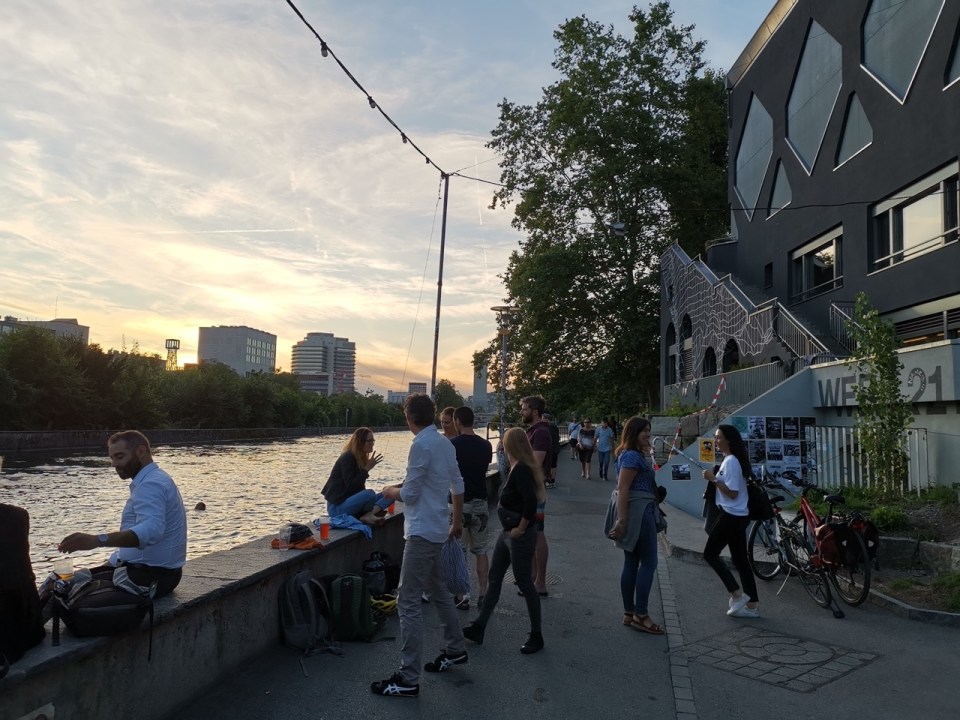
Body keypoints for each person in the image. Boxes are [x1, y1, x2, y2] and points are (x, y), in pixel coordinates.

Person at [371, 394, 467, 698]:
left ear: (408, 417)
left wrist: (389, 490)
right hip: (438, 527)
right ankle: (456, 648)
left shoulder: (420, 445)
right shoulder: (444, 443)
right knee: (438, 591)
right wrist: (457, 521)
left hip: (422, 532)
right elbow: (457, 484)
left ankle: (408, 677)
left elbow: (410, 495)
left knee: (407, 600)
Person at [57, 430, 187, 598]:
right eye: (112, 458)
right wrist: (108, 565)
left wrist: (97, 540)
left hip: (149, 577)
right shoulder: (156, 478)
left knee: (60, 591)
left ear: (141, 451)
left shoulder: (150, 484)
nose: (113, 464)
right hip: (159, 575)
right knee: (63, 583)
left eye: (119, 456)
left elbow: (152, 531)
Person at [462, 427, 545, 655]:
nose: (500, 445)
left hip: (518, 535)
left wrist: (520, 528)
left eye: (503, 442)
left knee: (525, 583)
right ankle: (479, 627)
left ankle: (536, 635)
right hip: (507, 533)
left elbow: (530, 503)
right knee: (495, 577)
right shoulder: (516, 468)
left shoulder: (521, 470)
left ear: (509, 445)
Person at [605, 417, 664, 635]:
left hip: (636, 510)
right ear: (633, 433)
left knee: (631, 562)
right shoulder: (631, 455)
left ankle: (629, 613)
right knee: (648, 562)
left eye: (649, 430)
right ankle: (641, 615)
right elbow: (623, 488)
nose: (648, 434)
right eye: (644, 431)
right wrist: (622, 521)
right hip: (640, 513)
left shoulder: (629, 453)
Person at [702, 424, 760, 618]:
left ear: (729, 440)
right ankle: (752, 606)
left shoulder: (732, 462)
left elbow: (733, 493)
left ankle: (737, 594)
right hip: (737, 515)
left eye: (719, 437)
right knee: (740, 560)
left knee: (710, 554)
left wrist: (713, 479)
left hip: (731, 515)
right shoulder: (730, 460)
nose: (716, 440)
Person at [450, 406, 493, 610]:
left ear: (457, 421)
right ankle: (483, 593)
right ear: (473, 421)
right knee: (481, 550)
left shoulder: (452, 445)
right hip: (480, 504)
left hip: (460, 505)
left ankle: (462, 595)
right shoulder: (486, 445)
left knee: (460, 551)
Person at [321, 427, 391, 526]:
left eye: (373, 440)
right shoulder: (347, 458)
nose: (372, 443)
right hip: (337, 508)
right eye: (369, 441)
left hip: (349, 503)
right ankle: (370, 514)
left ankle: (369, 514)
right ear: (359, 442)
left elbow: (359, 489)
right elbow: (351, 486)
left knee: (391, 493)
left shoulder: (360, 459)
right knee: (370, 494)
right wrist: (366, 469)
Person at [520, 396, 551, 596]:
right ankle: (532, 579)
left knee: (537, 534)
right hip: (530, 489)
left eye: (524, 409)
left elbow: (535, 463)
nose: (521, 412)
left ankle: (540, 582)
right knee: (531, 533)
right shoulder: (534, 431)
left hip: (535, 490)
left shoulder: (540, 432)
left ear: (535, 411)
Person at [543, 412, 561, 490]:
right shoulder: (555, 427)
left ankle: (549, 481)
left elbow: (549, 439)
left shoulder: (548, 427)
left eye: (543, 418)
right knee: (553, 465)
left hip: (550, 449)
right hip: (555, 449)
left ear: (547, 419)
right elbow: (558, 437)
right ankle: (552, 481)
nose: (542, 420)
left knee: (549, 465)